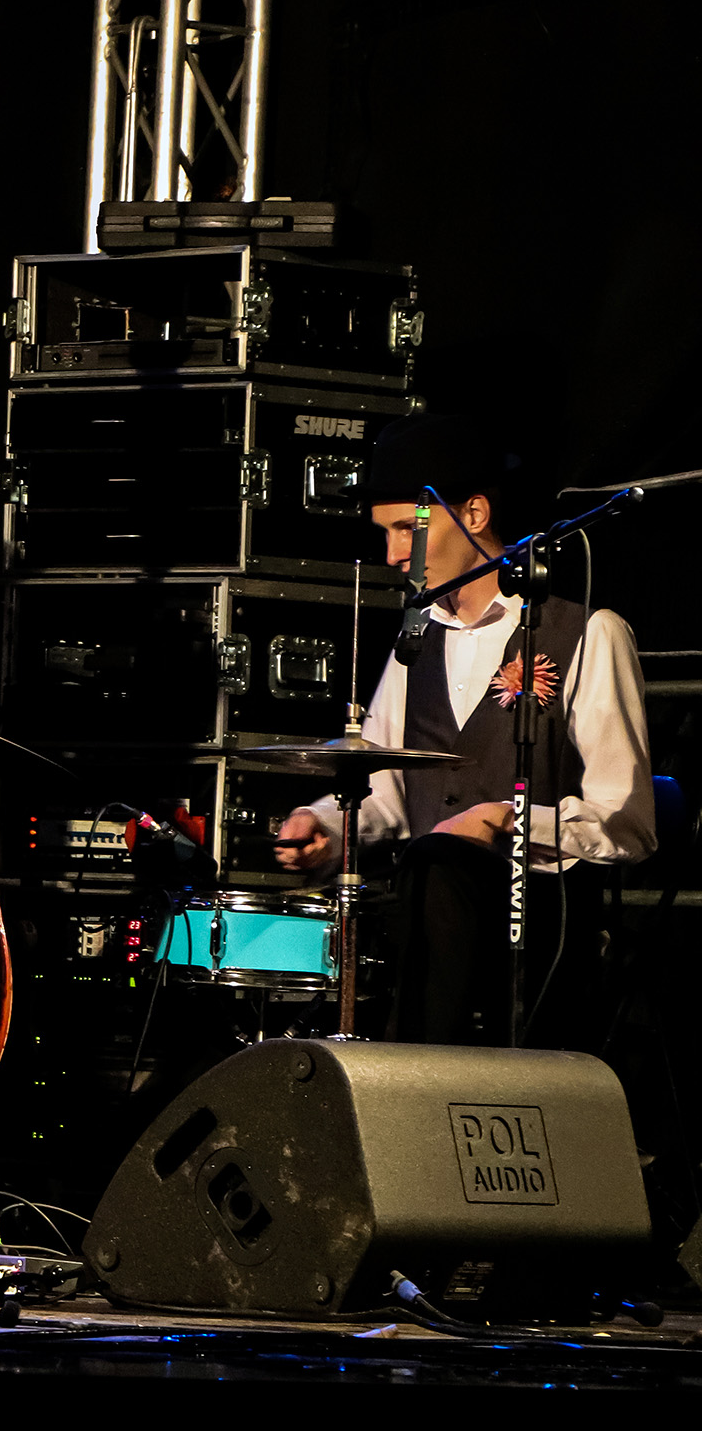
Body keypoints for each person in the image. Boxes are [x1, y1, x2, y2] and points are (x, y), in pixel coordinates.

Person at [274, 414, 653, 1044]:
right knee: (426, 867)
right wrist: (326, 825)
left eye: (408, 529)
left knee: (434, 865)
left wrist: (505, 819)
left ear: (474, 514)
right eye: (386, 534)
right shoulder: (416, 641)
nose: (394, 555)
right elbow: (386, 791)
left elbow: (628, 822)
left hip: (539, 915)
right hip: (431, 910)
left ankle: (421, 1071)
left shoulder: (587, 632)